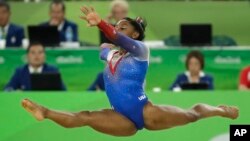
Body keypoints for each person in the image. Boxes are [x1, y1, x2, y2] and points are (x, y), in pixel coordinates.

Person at [22, 6, 238, 137]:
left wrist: (102, 25)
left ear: (135, 35)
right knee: (84, 117)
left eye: (123, 27)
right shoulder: (111, 53)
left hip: (145, 111)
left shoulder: (141, 51)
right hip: (120, 118)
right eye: (116, 26)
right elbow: (105, 47)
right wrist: (110, 41)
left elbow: (115, 39)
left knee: (192, 115)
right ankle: (45, 112)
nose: (117, 29)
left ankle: (219, 110)